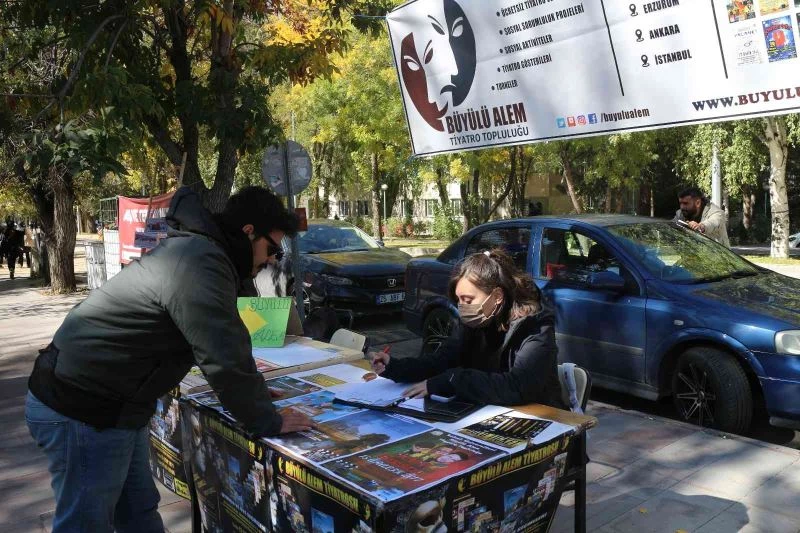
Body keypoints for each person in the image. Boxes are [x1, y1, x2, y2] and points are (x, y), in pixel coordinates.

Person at [25, 186, 316, 533]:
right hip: (82, 408)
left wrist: (254, 393)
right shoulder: (200, 261)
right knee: (86, 524)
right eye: (272, 248)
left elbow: (228, 340)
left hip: (112, 407)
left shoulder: (204, 254)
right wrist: (266, 419)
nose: (272, 259)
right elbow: (221, 355)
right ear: (249, 232)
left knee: (138, 514)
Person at [371, 249, 565, 408]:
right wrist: (394, 367)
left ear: (497, 297)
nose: (462, 307)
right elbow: (440, 361)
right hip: (487, 415)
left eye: (468, 300)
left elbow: (518, 387)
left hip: (544, 425)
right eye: (459, 300)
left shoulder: (535, 325)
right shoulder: (476, 322)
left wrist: (453, 380)